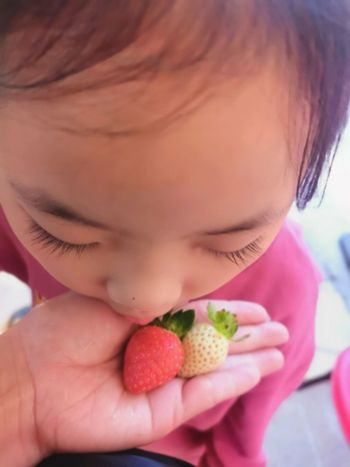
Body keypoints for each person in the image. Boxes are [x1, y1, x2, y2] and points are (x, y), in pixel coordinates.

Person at [0, 1, 349, 466]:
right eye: (64, 235)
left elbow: (250, 421)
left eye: (232, 244)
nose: (145, 297)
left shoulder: (285, 290)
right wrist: (17, 389)